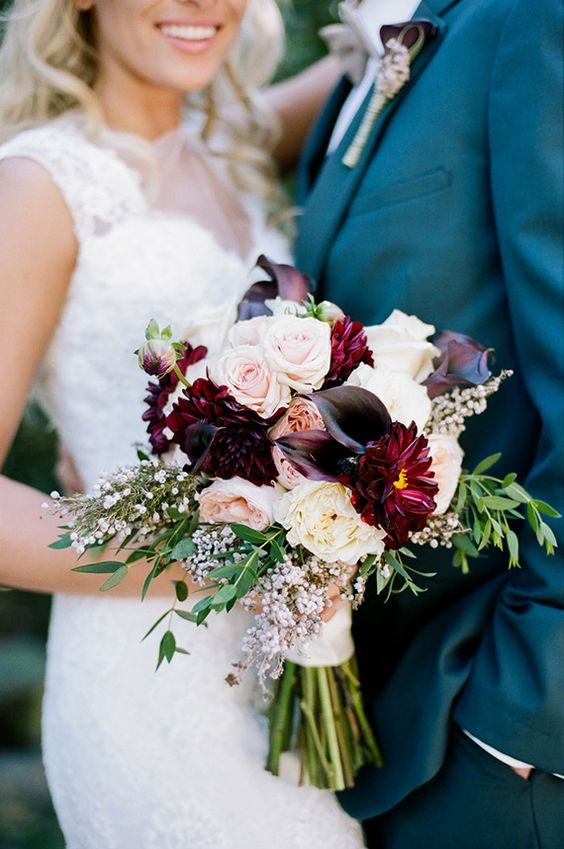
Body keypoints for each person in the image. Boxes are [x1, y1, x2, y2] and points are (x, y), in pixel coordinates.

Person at [0, 1, 364, 846]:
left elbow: (386, 51)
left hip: (284, 655)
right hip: (150, 674)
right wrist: (220, 554)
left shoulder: (230, 145)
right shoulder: (37, 186)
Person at [294, 0, 564, 847]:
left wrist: (522, 712)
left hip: (495, 744)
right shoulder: (365, 68)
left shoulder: (530, 20)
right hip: (381, 737)